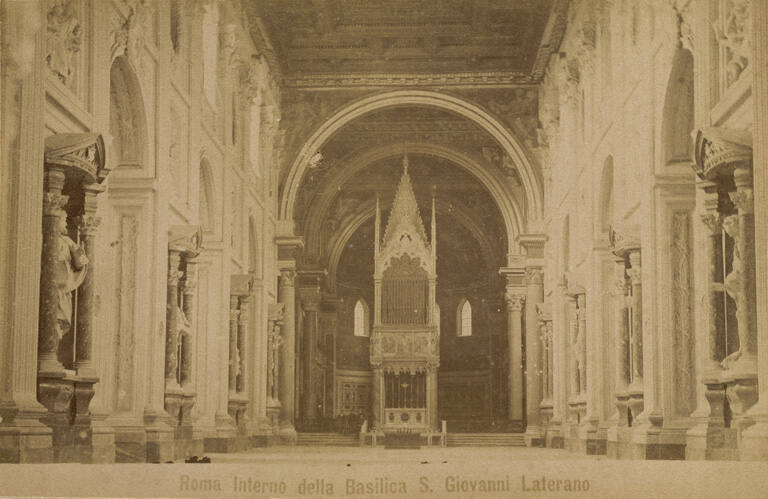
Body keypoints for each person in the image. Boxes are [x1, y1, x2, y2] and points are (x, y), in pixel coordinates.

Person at [53, 209, 88, 340]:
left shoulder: (67, 240)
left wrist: (79, 256)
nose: (67, 223)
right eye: (64, 220)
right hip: (56, 286)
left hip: (64, 288)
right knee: (53, 320)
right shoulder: (50, 238)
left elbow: (80, 263)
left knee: (59, 323)